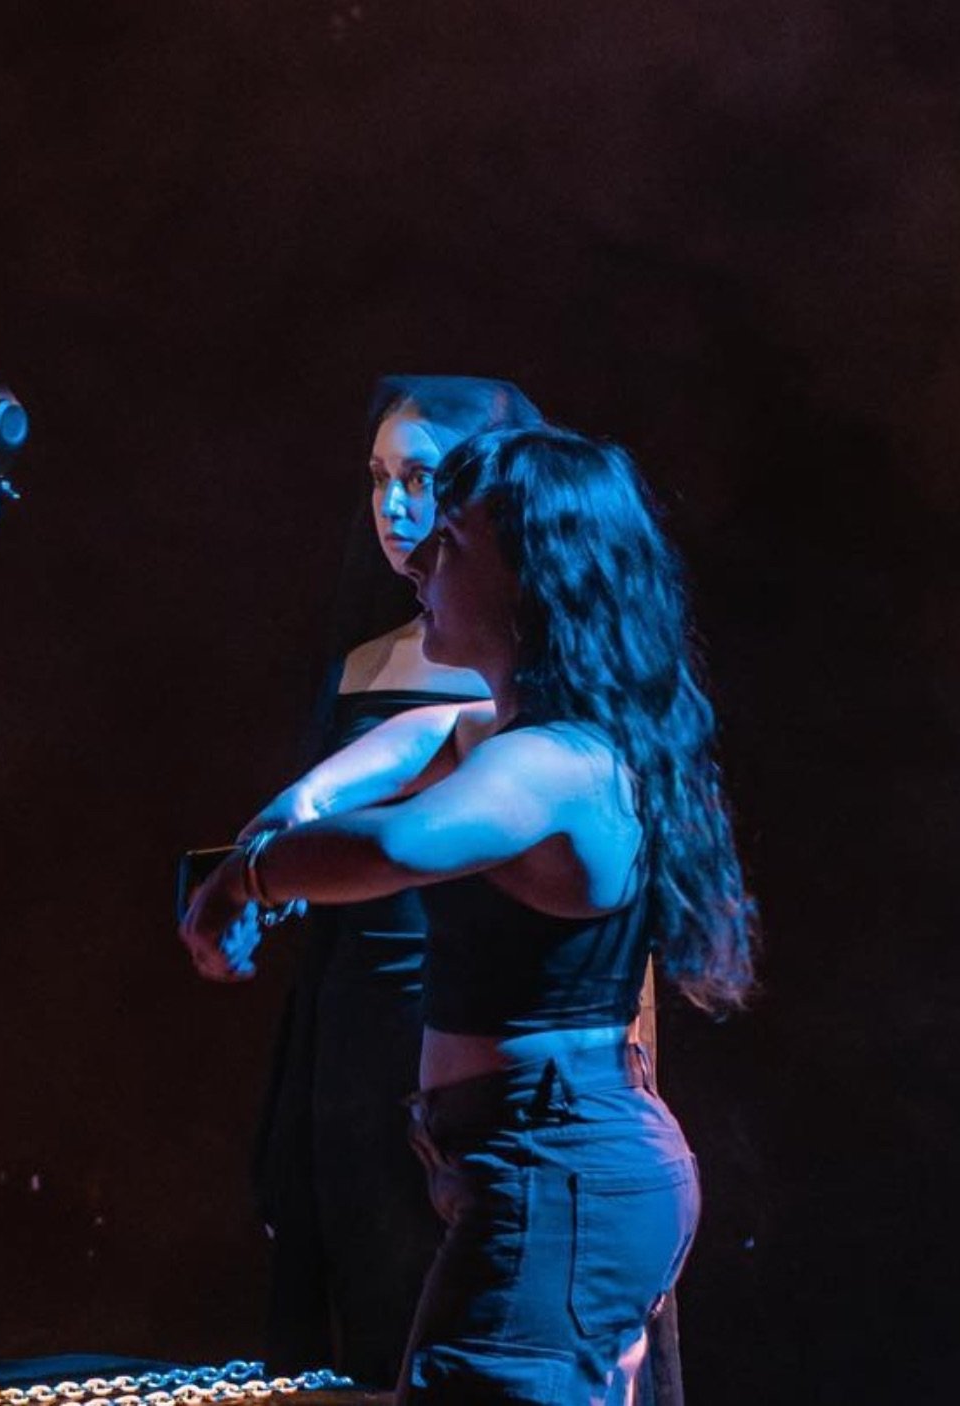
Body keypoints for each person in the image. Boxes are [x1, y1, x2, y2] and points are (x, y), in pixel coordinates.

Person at [183, 425, 756, 1404]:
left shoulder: (550, 765)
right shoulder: (538, 738)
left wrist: (251, 877)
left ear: (529, 573)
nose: (418, 560)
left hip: (557, 1169)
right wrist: (279, 821)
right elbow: (424, 734)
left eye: (448, 540)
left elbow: (398, 845)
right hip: (550, 1166)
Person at [248, 376, 539, 1387]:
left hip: (453, 1013)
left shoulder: (520, 681)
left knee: (443, 1289)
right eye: (377, 478)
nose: (392, 506)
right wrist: (262, 885)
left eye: (420, 477)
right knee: (355, 1288)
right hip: (346, 1008)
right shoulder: (363, 659)